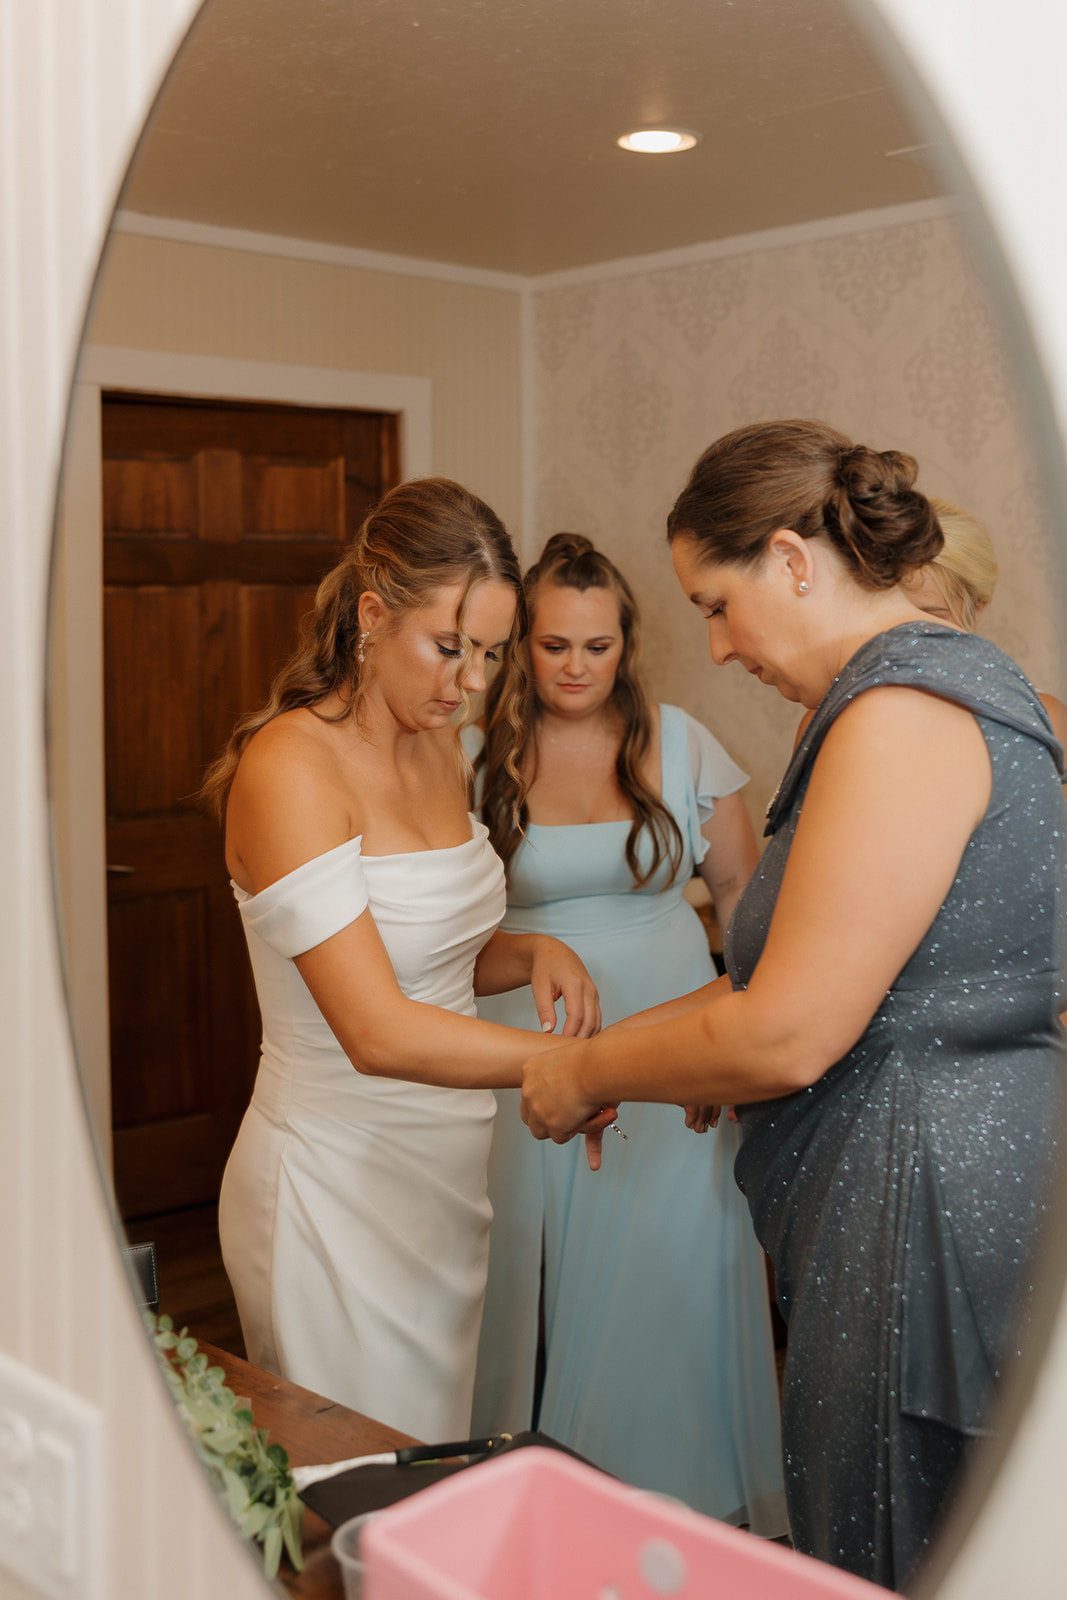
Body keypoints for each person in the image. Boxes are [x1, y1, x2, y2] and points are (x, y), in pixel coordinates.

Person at [519, 424, 1065, 1590]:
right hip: (926, 1176)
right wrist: (663, 1055)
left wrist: (582, 1072)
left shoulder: (899, 714)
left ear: (790, 558)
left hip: (913, 1206)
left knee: (890, 1543)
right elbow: (783, 983)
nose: (718, 647)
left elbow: (784, 1029)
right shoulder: (937, 688)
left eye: (717, 607)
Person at [204, 478, 610, 1442]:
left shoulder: (443, 749)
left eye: (491, 653)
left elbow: (428, 955)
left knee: (428, 1472)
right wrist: (582, 1066)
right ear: (371, 616)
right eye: (449, 646)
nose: (470, 683)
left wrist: (532, 950)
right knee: (347, 1482)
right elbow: (376, 1029)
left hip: (445, 1179)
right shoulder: (289, 768)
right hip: (333, 1185)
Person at [467, 534, 787, 1532]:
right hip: (527, 1039)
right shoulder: (475, 756)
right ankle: (537, 1495)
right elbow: (449, 930)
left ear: (626, 644)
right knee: (527, 1263)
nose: (575, 667)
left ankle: (670, 1490)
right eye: (553, 645)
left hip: (673, 1036)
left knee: (671, 1249)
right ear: (521, 644)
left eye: (596, 646)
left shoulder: (683, 744)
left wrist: (738, 1043)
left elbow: (743, 902)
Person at [902, 497, 1067, 745]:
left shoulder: (1041, 719)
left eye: (928, 617)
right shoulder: (847, 709)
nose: (899, 632)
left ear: (977, 607)